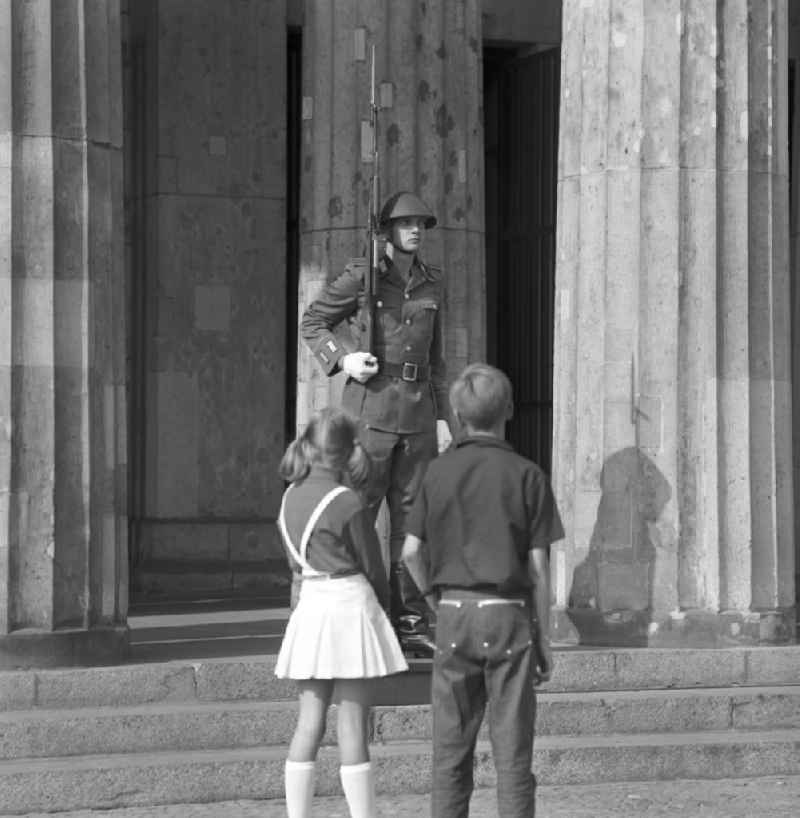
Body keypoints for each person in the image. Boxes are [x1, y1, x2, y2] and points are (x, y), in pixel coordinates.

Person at [402, 363, 564, 818]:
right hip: (510, 614)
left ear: (455, 413)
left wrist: (436, 601)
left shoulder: (436, 473)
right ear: (509, 409)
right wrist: (545, 636)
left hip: (454, 610)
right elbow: (538, 567)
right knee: (514, 755)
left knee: (450, 752)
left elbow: (411, 552)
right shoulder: (527, 474)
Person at [301, 191, 452, 657]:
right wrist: (345, 360)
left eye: (420, 225)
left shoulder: (431, 282)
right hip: (370, 411)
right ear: (386, 231)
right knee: (360, 515)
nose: (414, 231)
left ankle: (409, 621)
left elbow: (437, 357)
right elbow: (314, 322)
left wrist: (443, 415)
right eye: (405, 224)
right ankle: (360, 615)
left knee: (412, 522)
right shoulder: (364, 276)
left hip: (419, 415)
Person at [274, 407, 408, 818]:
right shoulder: (347, 501)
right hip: (348, 603)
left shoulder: (288, 497)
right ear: (350, 451)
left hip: (311, 603)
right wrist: (386, 611)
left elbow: (295, 565)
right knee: (352, 722)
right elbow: (372, 564)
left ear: (310, 448)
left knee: (308, 722)